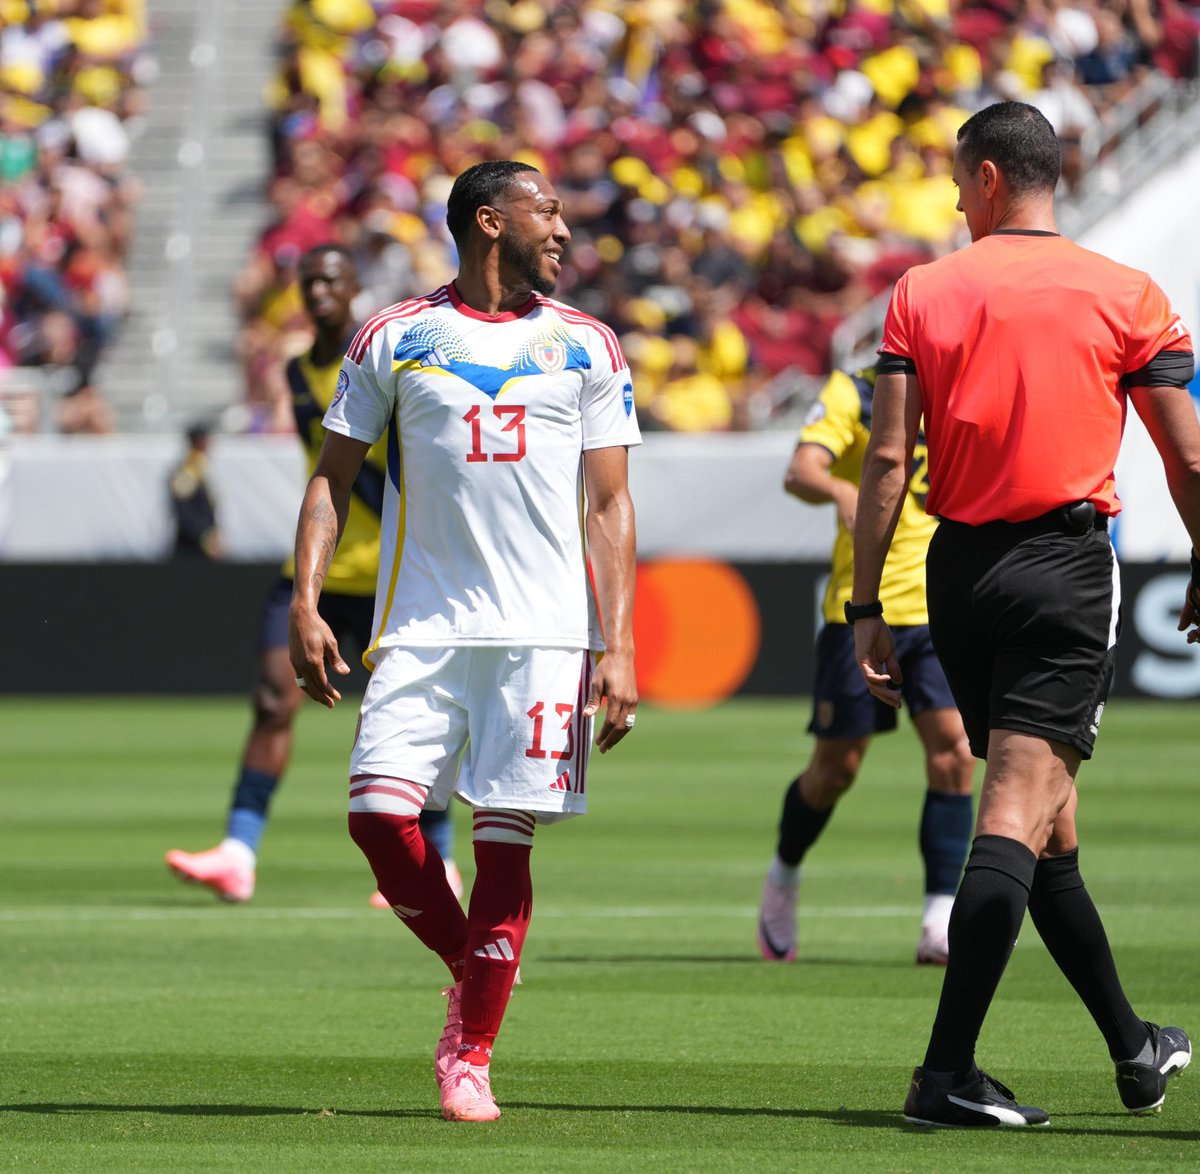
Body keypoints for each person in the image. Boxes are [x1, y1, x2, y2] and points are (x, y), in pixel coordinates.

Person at [850, 101, 1199, 1128]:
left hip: (958, 572)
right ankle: (944, 1073)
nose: (956, 202)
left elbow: (884, 461)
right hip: (1062, 566)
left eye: (960, 183)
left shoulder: (921, 292)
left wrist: (869, 601)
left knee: (1048, 824)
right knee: (1017, 805)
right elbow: (1184, 452)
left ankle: (1135, 1048)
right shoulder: (1129, 294)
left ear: (991, 180)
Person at [287, 162, 640, 1123]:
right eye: (550, 212)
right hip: (423, 627)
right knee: (374, 819)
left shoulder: (588, 345)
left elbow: (609, 503)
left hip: (545, 636)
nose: (565, 230)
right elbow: (330, 480)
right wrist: (306, 600)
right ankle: (473, 967)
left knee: (503, 851)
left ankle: (470, 1052)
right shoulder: (396, 337)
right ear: (491, 222)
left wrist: (620, 645)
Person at [166, 245, 458, 904]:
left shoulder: (387, 360)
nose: (319, 291)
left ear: (354, 286)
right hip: (318, 572)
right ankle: (238, 853)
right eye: (309, 282)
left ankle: (438, 857)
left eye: (332, 278)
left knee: (410, 725)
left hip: (391, 576)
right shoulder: (297, 372)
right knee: (272, 700)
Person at [757, 364, 974, 967]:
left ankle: (938, 919)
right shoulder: (852, 389)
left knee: (955, 751)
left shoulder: (962, 388)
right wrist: (841, 489)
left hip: (941, 604)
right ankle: (784, 874)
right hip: (862, 606)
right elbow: (802, 469)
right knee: (835, 770)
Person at [167, 424, 224, 560]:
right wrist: (204, 537)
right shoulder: (186, 473)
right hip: (190, 550)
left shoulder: (200, 469)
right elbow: (184, 514)